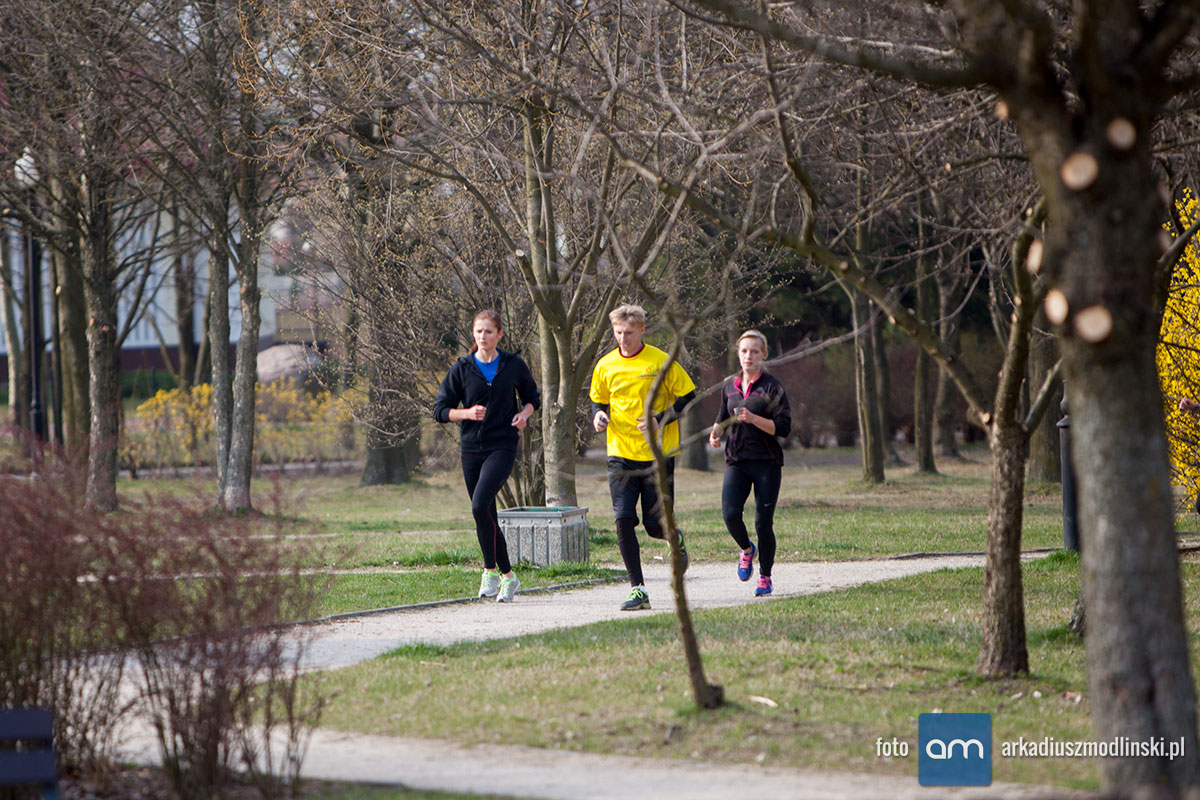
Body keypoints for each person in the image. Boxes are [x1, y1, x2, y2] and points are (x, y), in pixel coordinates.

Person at [590, 304, 697, 611]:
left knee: (654, 525)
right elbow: (598, 401)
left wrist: (660, 419)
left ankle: (675, 538)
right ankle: (638, 589)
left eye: (628, 333)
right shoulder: (605, 365)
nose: (623, 338)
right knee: (623, 518)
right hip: (620, 453)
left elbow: (688, 397)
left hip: (657, 455)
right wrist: (598, 416)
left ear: (642, 330)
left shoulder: (661, 361)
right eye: (618, 333)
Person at [434, 310, 540, 603]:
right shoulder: (462, 368)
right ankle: (505, 576)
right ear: (474, 333)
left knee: (480, 505)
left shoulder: (513, 365)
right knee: (485, 513)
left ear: (499, 334)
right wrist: (466, 413)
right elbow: (440, 410)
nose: (483, 336)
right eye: (479, 331)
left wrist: (524, 414)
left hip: (502, 445)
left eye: (489, 331)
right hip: (471, 448)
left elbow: (533, 398)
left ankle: (490, 571)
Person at [709, 330, 791, 597]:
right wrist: (716, 431)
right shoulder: (728, 385)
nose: (749, 356)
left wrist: (754, 419)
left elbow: (784, 428)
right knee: (730, 514)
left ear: (763, 355)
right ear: (738, 353)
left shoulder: (772, 387)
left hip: (766, 462)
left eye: (755, 351)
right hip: (737, 460)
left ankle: (765, 577)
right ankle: (746, 549)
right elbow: (722, 416)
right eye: (744, 351)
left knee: (762, 523)